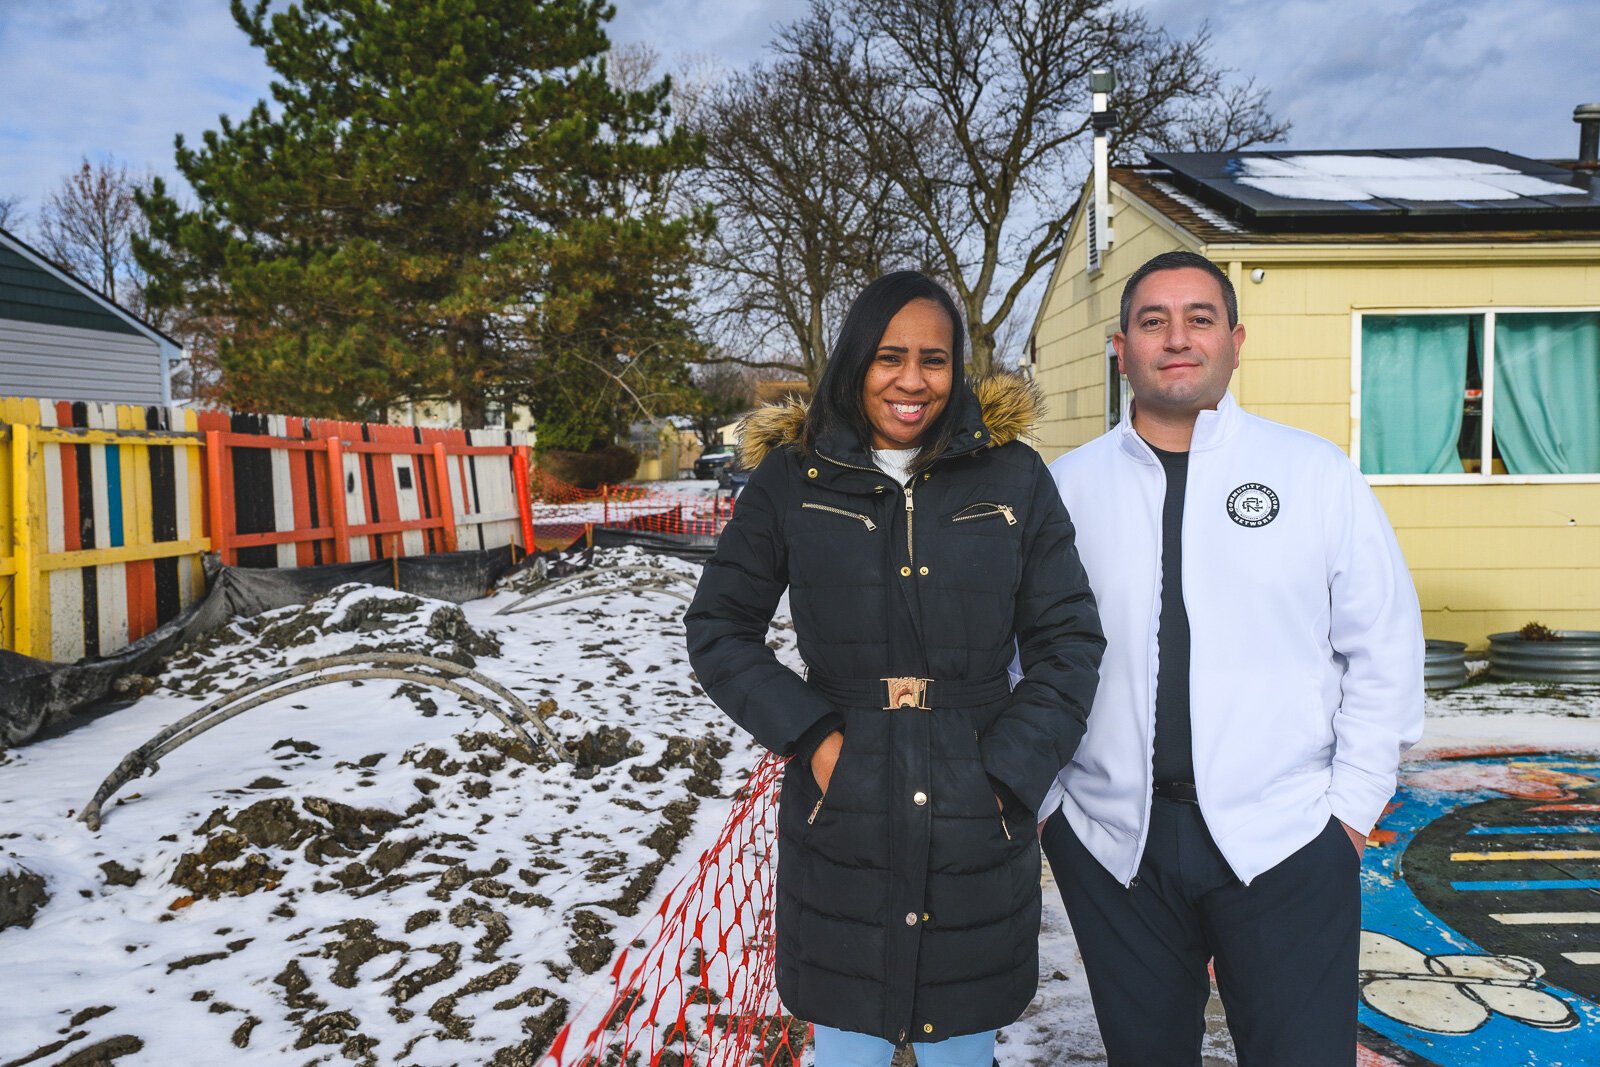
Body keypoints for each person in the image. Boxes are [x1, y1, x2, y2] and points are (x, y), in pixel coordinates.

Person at [686, 270, 1103, 1065]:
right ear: (854, 360)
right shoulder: (792, 480)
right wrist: (814, 738)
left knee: (959, 1048)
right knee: (849, 1044)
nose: (912, 381)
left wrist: (1009, 771)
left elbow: (1069, 638)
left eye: (935, 359)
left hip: (976, 801)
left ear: (960, 369)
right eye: (889, 356)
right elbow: (719, 626)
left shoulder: (1013, 477)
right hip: (844, 798)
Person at [1035, 250, 1425, 1066]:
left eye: (1199, 318)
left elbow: (1383, 649)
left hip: (1287, 839)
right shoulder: (1066, 490)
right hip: (1115, 850)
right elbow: (1017, 657)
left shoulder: (1313, 473)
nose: (1177, 338)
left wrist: (1345, 818)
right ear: (1121, 346)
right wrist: (1053, 810)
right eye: (1153, 321)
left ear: (1236, 340)